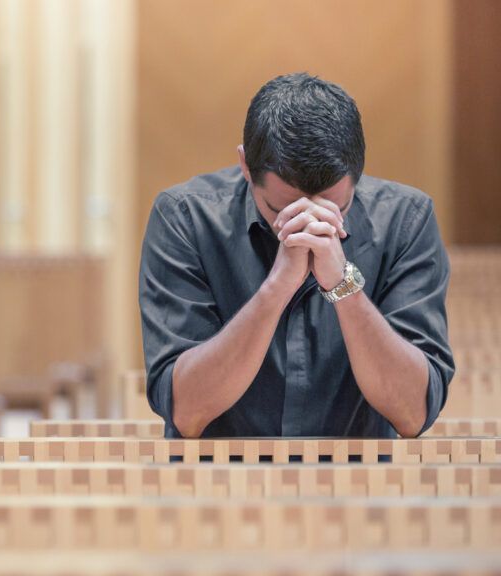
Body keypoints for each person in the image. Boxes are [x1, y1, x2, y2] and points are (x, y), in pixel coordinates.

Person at [138, 72, 455, 440]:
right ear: (245, 166)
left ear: (358, 173)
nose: (308, 228)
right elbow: (187, 411)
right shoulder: (185, 218)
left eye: (333, 209)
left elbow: (413, 412)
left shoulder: (406, 221)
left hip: (362, 488)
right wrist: (277, 286)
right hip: (218, 486)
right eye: (282, 211)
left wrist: (343, 284)